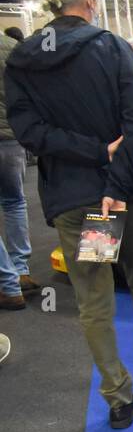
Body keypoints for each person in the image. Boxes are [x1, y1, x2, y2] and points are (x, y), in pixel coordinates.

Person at [3, 0, 133, 429]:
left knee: (94, 297)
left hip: (73, 195)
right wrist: (116, 185)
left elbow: (31, 132)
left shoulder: (22, 59)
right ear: (88, 0)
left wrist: (91, 157)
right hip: (120, 194)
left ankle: (118, 397)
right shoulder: (110, 48)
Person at [0, 26, 36, 310]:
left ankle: (8, 284)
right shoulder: (14, 49)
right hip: (12, 138)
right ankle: (21, 270)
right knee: (14, 202)